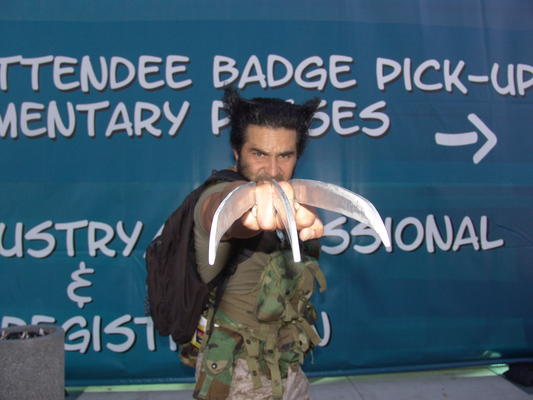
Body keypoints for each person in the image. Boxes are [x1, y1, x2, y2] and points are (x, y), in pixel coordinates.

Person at [192, 88, 326, 400]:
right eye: (259, 154)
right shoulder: (217, 195)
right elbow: (220, 212)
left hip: (286, 362)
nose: (273, 170)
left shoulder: (292, 196)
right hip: (238, 372)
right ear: (236, 152)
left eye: (285, 155)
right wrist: (248, 211)